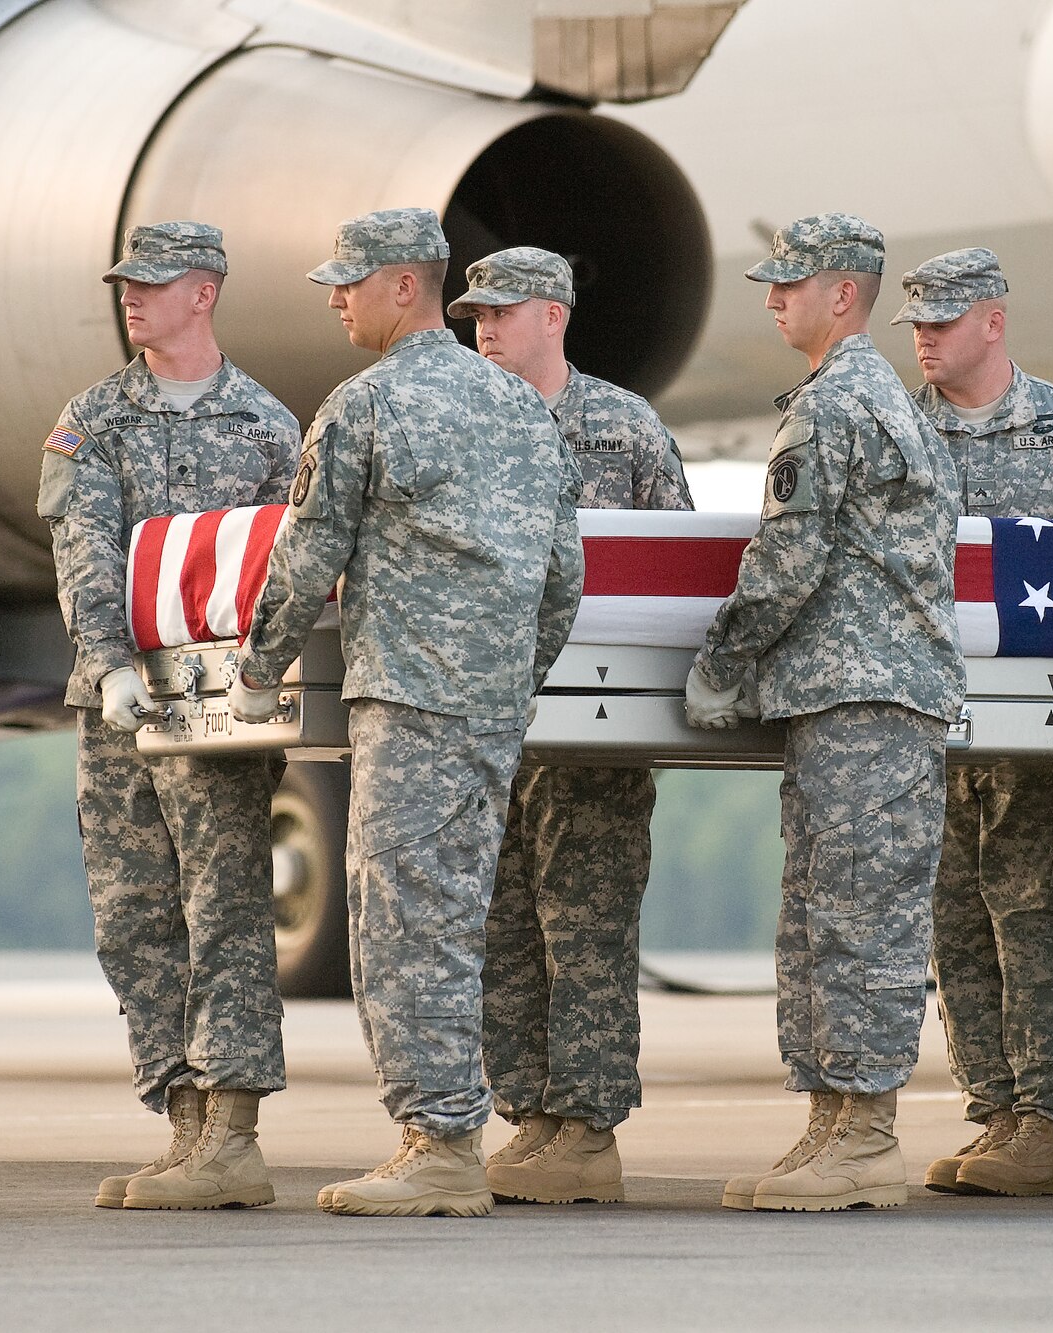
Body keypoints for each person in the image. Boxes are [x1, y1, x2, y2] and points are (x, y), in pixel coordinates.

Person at [236, 209, 585, 1217]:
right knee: (454, 916)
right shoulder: (521, 408)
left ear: (405, 287)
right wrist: (513, 676)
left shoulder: (366, 405)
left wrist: (259, 666)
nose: (335, 297)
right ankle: (445, 1130)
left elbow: (306, 555)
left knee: (399, 921)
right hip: (486, 709)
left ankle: (437, 1142)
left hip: (408, 699)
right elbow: (562, 575)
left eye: (349, 282)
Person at [688, 214, 965, 1213]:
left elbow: (786, 555)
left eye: (789, 285)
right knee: (824, 914)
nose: (772, 299)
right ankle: (833, 1125)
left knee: (852, 915)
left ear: (842, 294)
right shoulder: (872, 397)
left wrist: (721, 661)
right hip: (855, 694)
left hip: (863, 693)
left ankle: (864, 1135)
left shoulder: (834, 404)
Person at [38, 222, 301, 1211]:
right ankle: (184, 1124)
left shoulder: (269, 426)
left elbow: (284, 568)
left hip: (220, 711)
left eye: (154, 284)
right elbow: (83, 548)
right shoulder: (94, 417)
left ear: (206, 292)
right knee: (133, 914)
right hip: (121, 706)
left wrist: (265, 677)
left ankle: (233, 1136)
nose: (131, 297)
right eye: (124, 283)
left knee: (225, 906)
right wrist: (107, 665)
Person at [896, 248, 1053, 1198]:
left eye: (944, 320)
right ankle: (998, 1110)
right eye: (917, 321)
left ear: (994, 321)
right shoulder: (898, 429)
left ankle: (1048, 1122)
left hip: (1040, 740)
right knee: (958, 920)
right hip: (935, 728)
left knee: (1039, 918)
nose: (925, 336)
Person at [448, 247, 695, 1204]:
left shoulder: (622, 427)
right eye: (476, 311)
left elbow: (670, 566)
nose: (485, 326)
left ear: (554, 315)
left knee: (583, 924)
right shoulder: (465, 420)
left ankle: (590, 1130)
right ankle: (536, 1116)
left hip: (593, 732)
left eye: (504, 311)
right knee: (503, 925)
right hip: (492, 720)